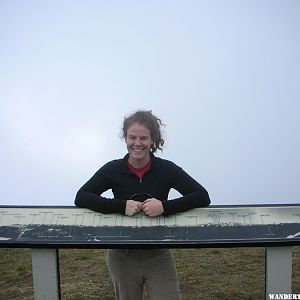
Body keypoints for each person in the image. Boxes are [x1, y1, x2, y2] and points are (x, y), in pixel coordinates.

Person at [75, 110, 210, 300]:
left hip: (159, 255)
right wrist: (121, 206)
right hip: (121, 256)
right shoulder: (112, 169)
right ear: (125, 139)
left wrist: (164, 206)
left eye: (143, 138)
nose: (137, 143)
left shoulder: (167, 169)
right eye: (132, 137)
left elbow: (202, 196)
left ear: (153, 140)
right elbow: (82, 197)